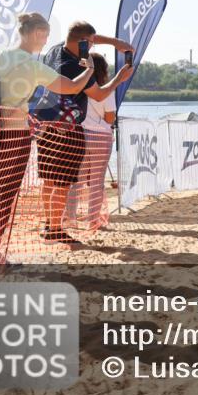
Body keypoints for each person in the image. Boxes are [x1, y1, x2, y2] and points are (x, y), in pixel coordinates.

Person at [0, 13, 94, 266]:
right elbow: (71, 87)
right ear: (36, 33)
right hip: (14, 135)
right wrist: (89, 71)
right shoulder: (33, 66)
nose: (47, 40)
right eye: (45, 35)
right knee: (4, 196)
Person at [32, 22, 133, 245]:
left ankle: (49, 225)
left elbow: (86, 36)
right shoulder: (78, 68)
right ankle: (55, 229)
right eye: (91, 42)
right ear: (84, 42)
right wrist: (119, 79)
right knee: (63, 182)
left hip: (46, 125)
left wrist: (115, 42)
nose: (93, 45)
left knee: (49, 179)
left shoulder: (55, 50)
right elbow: (98, 94)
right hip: (67, 129)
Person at [73, 53, 117, 231]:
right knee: (97, 181)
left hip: (80, 134)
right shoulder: (106, 90)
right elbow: (109, 118)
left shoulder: (76, 86)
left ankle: (69, 217)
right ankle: (93, 220)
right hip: (100, 136)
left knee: (76, 180)